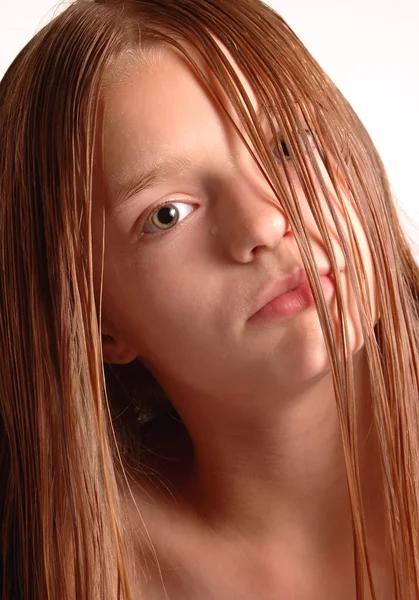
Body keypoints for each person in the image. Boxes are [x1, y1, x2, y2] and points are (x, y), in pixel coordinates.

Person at [0, 0, 418, 598]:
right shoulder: (52, 569)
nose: (263, 224)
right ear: (99, 324)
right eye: (166, 215)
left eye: (286, 148)